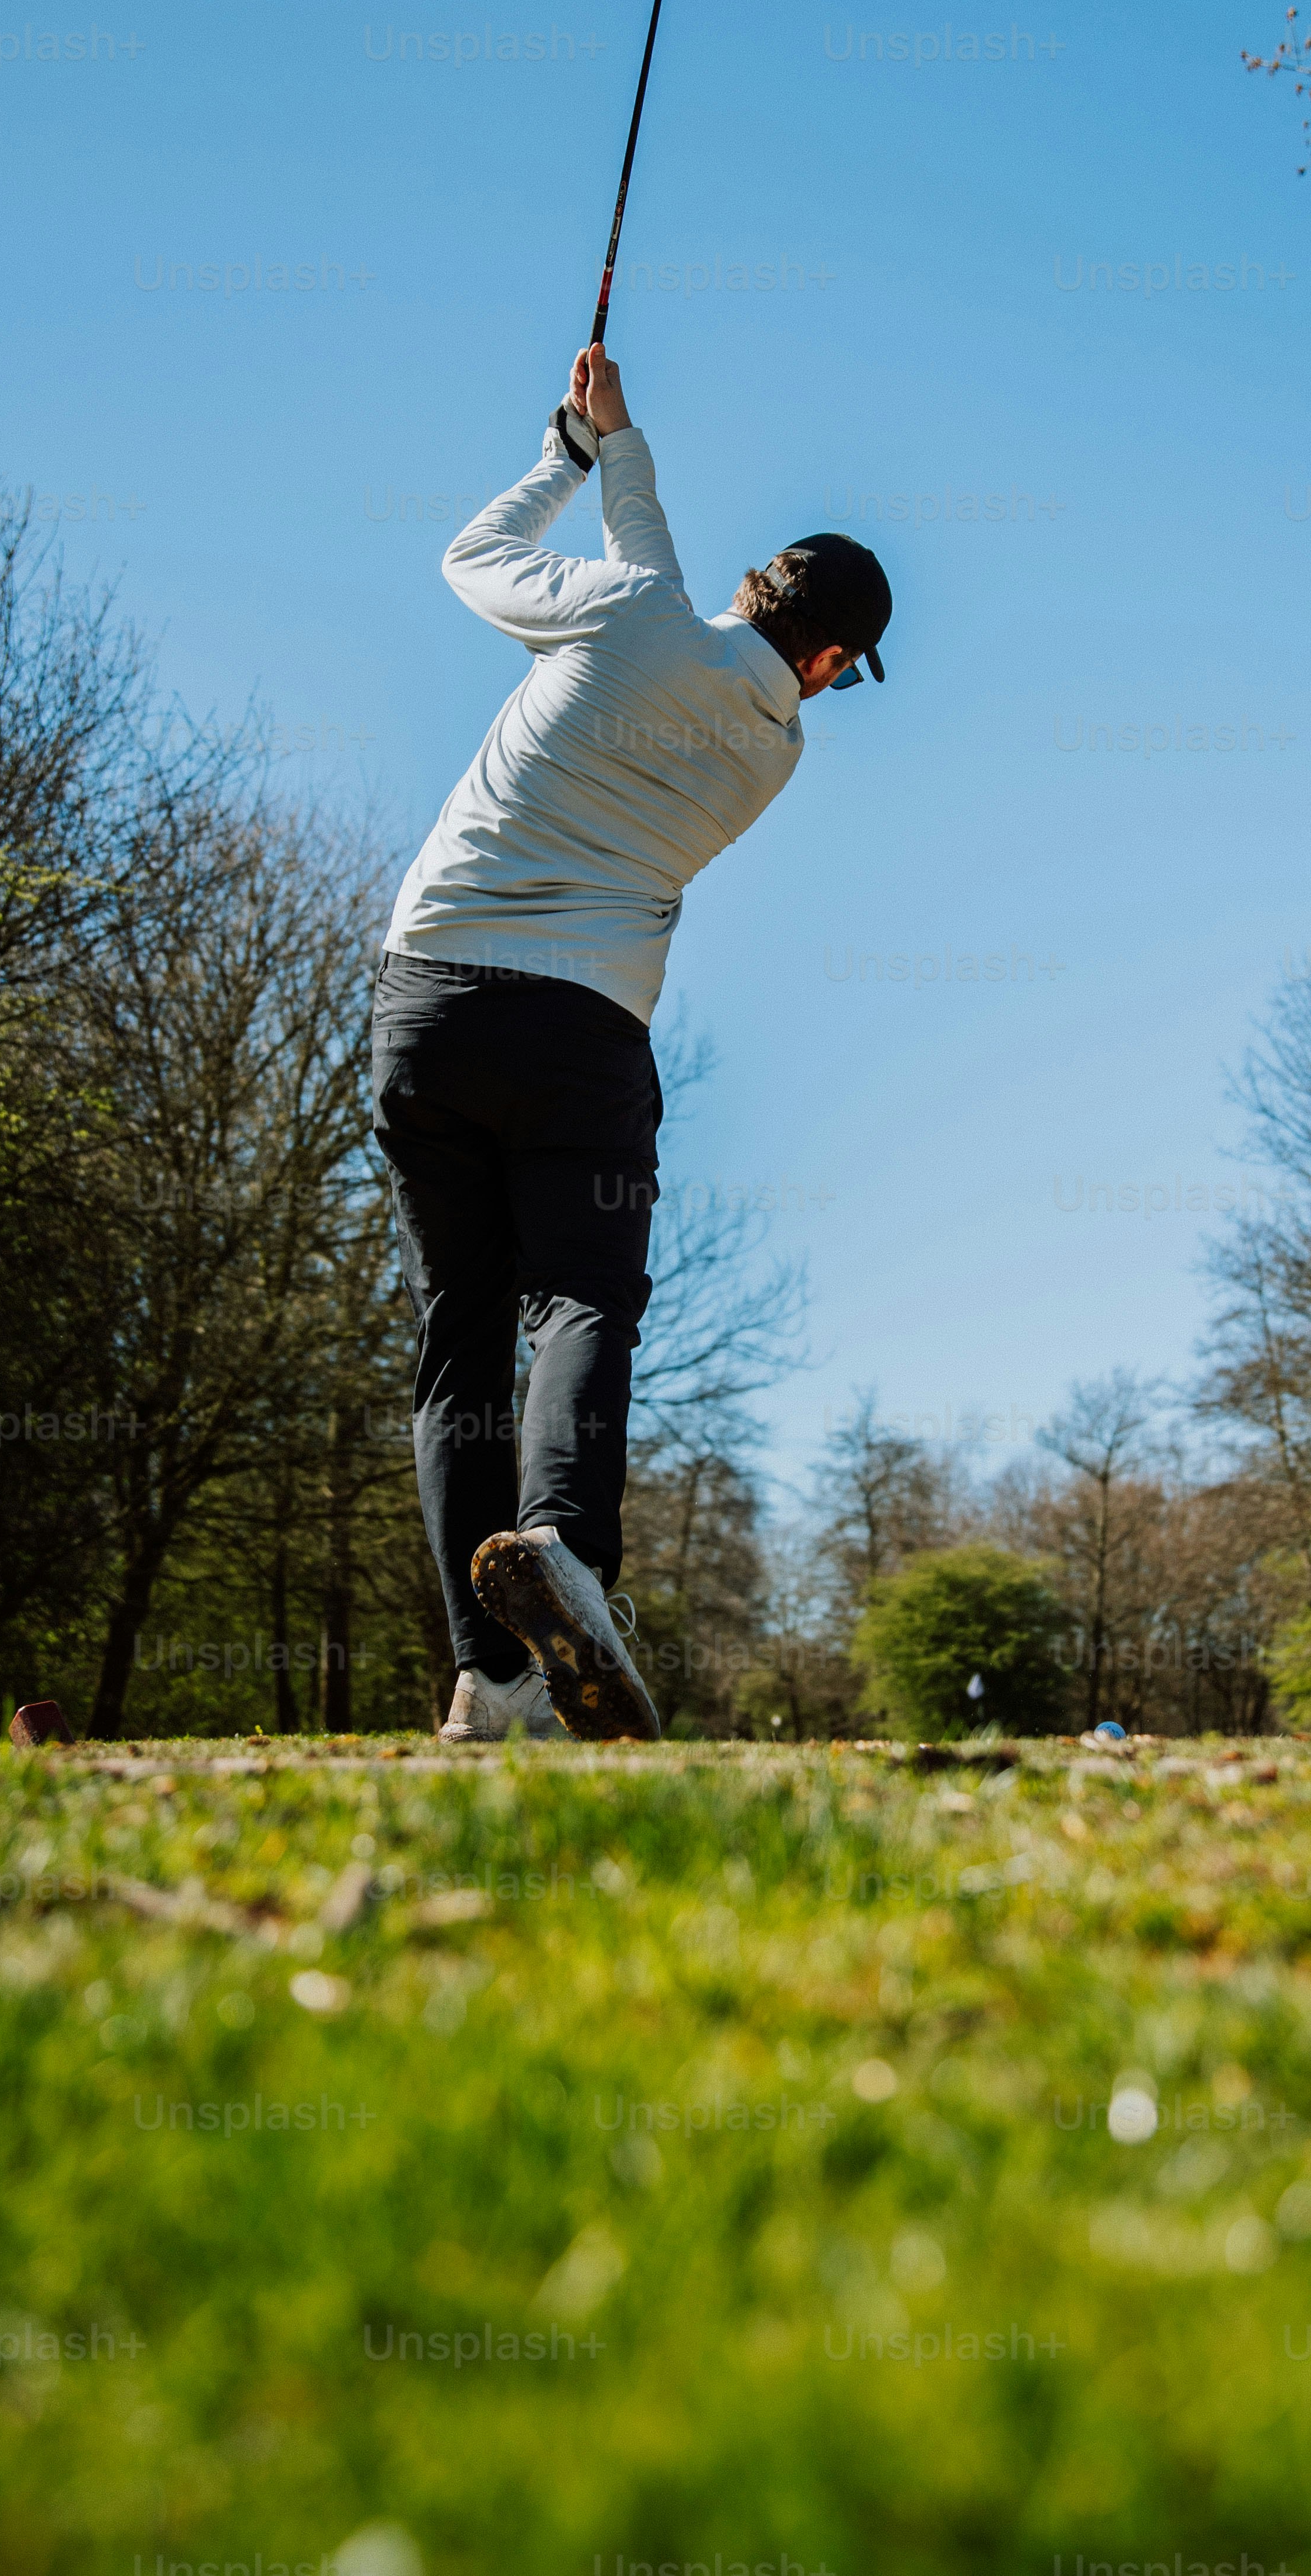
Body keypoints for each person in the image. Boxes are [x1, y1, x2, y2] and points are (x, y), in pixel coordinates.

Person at [371, 344, 893, 1741]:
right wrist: (623, 457)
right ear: (828, 662)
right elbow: (666, 604)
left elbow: (478, 559)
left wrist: (573, 454)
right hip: (583, 1032)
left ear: (753, 590)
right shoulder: (773, 749)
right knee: (582, 1304)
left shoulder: (622, 614)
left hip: (425, 1005)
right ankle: (563, 1560)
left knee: (456, 1342)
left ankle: (492, 1682)